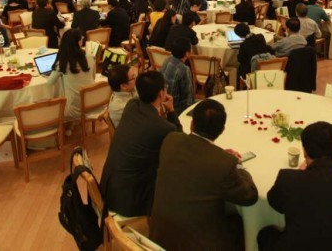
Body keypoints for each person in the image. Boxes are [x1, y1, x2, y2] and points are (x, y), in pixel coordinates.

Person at [150, 99, 258, 250]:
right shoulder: (224, 164)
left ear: (192, 123)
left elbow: (194, 153)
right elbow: (250, 196)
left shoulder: (170, 140)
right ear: (222, 130)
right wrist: (238, 166)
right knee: (239, 223)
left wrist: (220, 156)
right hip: (196, 245)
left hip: (159, 237)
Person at [258, 121, 332, 250]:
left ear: (304, 151)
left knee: (265, 234)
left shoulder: (289, 179)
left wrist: (299, 175)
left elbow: (274, 202)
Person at [101, 71, 182, 217]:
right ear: (161, 93)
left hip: (109, 188)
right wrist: (171, 110)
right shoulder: (163, 128)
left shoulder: (132, 106)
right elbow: (180, 140)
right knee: (175, 177)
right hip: (129, 201)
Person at [45, 29, 93, 120]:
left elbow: (49, 83)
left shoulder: (63, 62)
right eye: (82, 38)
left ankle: (67, 124)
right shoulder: (89, 57)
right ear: (79, 42)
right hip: (91, 103)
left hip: (74, 109)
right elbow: (92, 77)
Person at [159, 38, 194, 115]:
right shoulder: (184, 69)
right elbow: (188, 97)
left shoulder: (168, 59)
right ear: (187, 53)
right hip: (175, 109)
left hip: (162, 103)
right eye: (191, 48)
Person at [107, 64, 137, 128]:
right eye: (133, 77)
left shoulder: (127, 90)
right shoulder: (122, 106)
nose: (135, 79)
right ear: (123, 86)